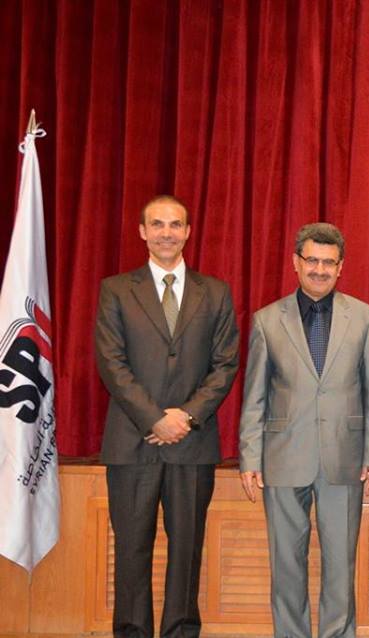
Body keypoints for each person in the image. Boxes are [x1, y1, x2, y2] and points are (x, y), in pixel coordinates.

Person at [95, 194, 240, 638]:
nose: (166, 233)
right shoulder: (116, 290)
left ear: (188, 232)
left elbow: (226, 364)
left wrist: (187, 417)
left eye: (175, 225)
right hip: (132, 443)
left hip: (192, 446)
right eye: (157, 224)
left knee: (187, 552)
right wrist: (154, 418)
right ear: (142, 232)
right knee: (131, 551)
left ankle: (180, 631)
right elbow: (111, 363)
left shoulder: (215, 292)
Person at [238, 222, 369, 638]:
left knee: (340, 564)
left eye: (329, 262)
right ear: (296, 262)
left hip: (345, 458)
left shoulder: (364, 317)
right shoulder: (267, 320)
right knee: (286, 563)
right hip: (282, 458)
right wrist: (249, 457)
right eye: (312, 261)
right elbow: (254, 396)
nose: (320, 269)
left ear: (341, 267)